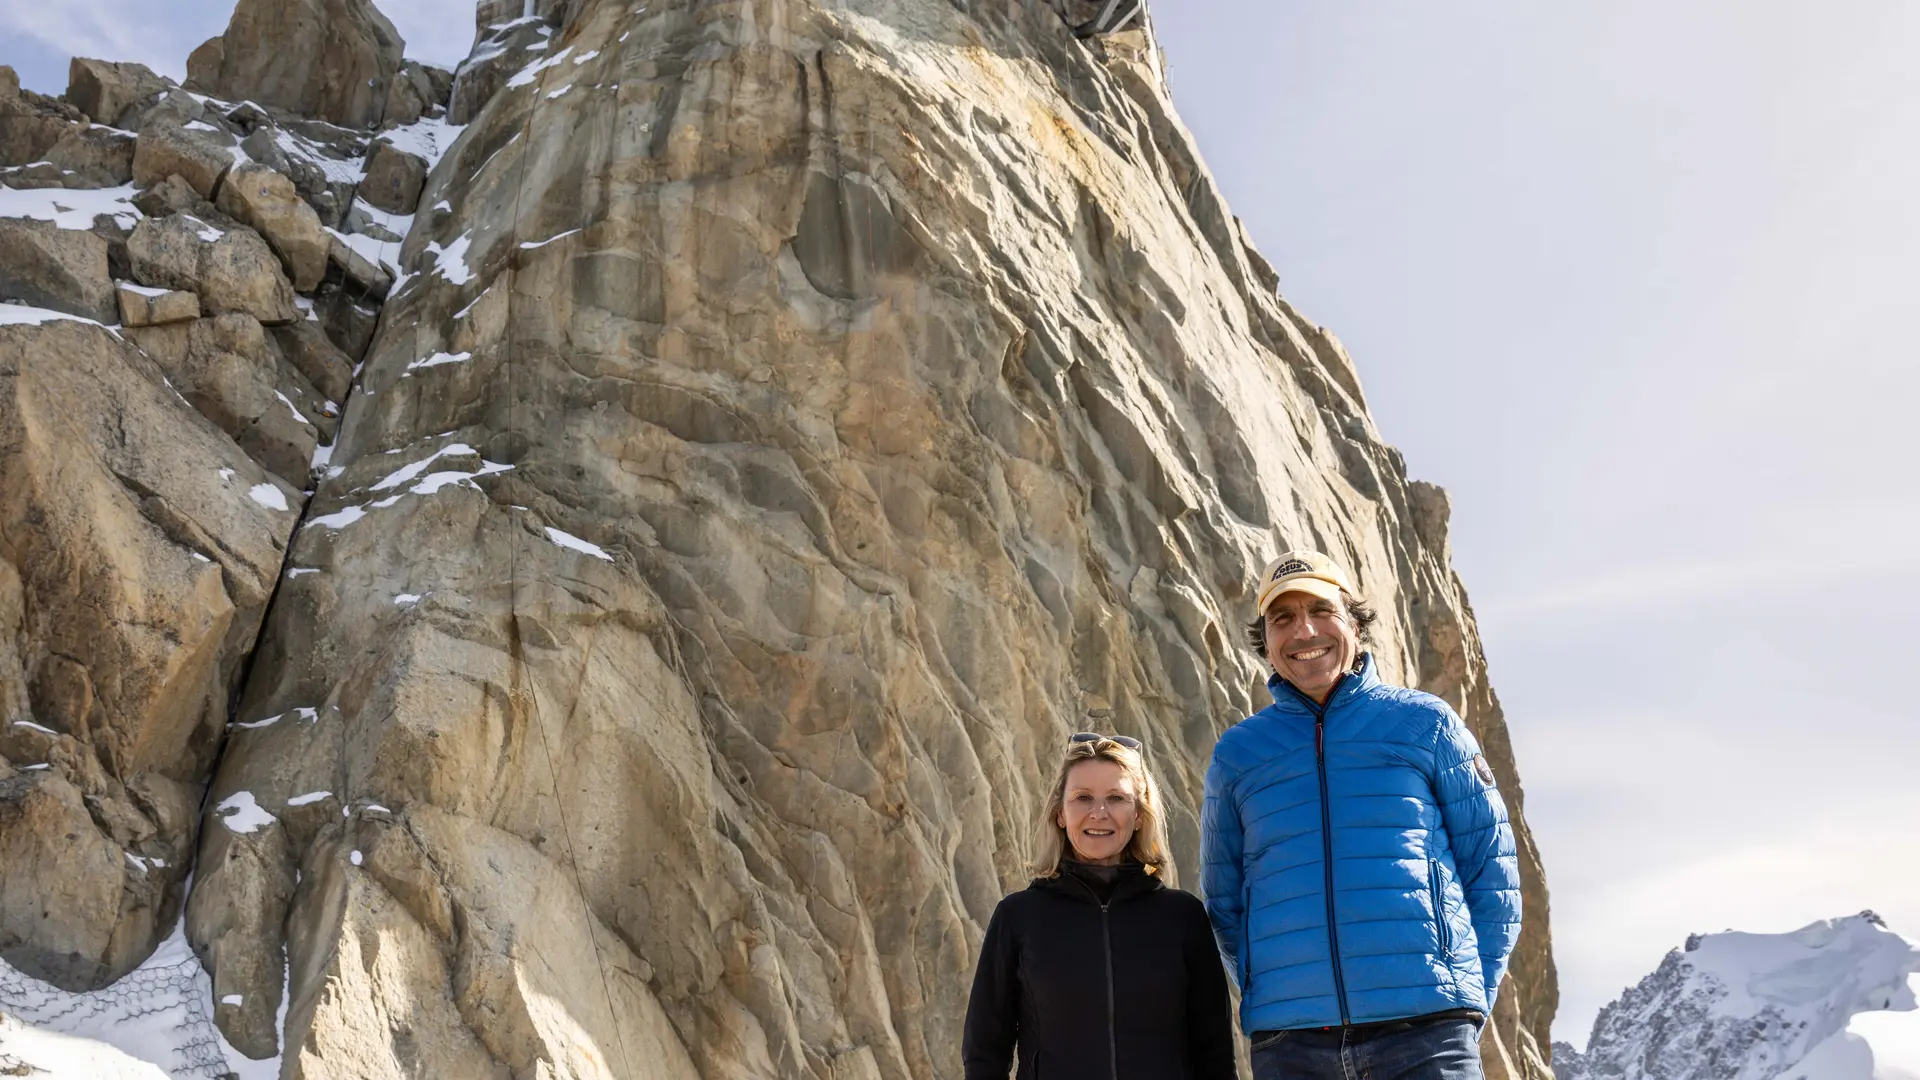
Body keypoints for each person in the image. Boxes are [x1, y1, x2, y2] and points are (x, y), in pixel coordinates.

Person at [1201, 551, 1522, 1080]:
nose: (1303, 630)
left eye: (1321, 610)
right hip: (1292, 1050)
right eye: (1283, 618)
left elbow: (1493, 874)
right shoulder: (1238, 754)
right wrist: (1278, 995)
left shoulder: (1425, 723)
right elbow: (1224, 899)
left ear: (1354, 621)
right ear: (1267, 640)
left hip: (1428, 1038)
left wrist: (1462, 1006)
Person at [963, 734, 1236, 1080]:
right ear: (1060, 814)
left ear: (1138, 814)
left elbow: (1215, 1056)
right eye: (1083, 798)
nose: (1099, 812)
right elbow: (984, 1052)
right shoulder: (1018, 917)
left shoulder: (1182, 917)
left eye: (1117, 798)